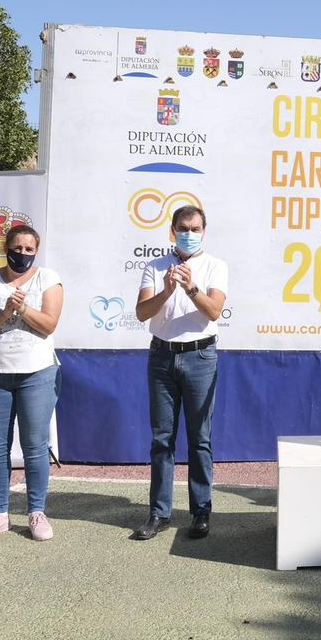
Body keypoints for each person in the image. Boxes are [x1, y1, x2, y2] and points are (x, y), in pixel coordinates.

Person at [133, 205, 229, 541]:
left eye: (196, 228)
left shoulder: (215, 266)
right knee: (162, 440)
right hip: (161, 356)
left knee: (199, 439)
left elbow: (214, 310)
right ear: (172, 230)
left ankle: (201, 512)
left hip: (201, 356)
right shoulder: (156, 266)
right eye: (183, 228)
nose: (189, 233)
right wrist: (167, 290)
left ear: (204, 230)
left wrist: (190, 288)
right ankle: (159, 513)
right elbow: (142, 312)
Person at [0, 225, 64, 541]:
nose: (22, 254)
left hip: (37, 374)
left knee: (34, 447)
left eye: (28, 249)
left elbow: (48, 325)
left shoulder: (47, 279)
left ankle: (36, 512)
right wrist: (6, 311)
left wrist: (23, 308)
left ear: (36, 251)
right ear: (6, 248)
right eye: (16, 248)